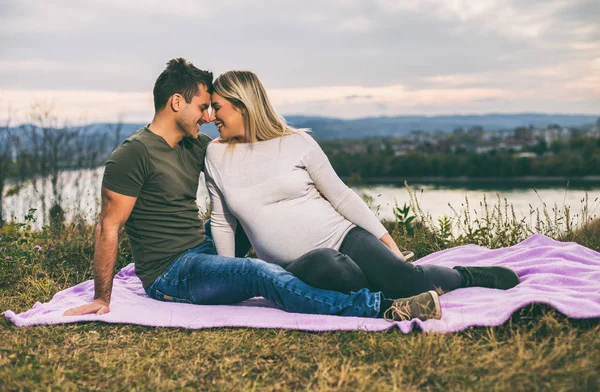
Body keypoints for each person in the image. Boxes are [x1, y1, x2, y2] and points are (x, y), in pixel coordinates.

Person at [64, 58, 443, 322]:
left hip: (202, 251)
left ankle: (307, 269)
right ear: (176, 102)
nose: (209, 116)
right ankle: (382, 307)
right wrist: (102, 297)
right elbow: (107, 227)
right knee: (256, 272)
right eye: (202, 107)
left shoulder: (196, 146)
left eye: (214, 109)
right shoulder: (132, 155)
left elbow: (238, 180)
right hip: (172, 273)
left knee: (249, 209)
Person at [204, 70, 520, 300]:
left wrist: (388, 244)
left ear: (242, 103)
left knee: (406, 281)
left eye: (216, 106)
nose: (211, 115)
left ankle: (464, 276)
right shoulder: (216, 155)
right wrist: (231, 277)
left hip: (345, 236)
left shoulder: (298, 143)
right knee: (333, 269)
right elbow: (222, 222)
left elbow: (341, 196)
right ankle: (381, 293)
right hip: (298, 264)